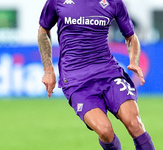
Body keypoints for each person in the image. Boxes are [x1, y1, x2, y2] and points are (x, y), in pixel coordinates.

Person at [38, 0, 155, 149]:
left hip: (108, 73)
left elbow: (131, 37)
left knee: (134, 123)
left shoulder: (114, 2)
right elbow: (43, 30)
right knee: (105, 131)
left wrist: (133, 61)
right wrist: (48, 70)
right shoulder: (57, 2)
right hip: (76, 80)